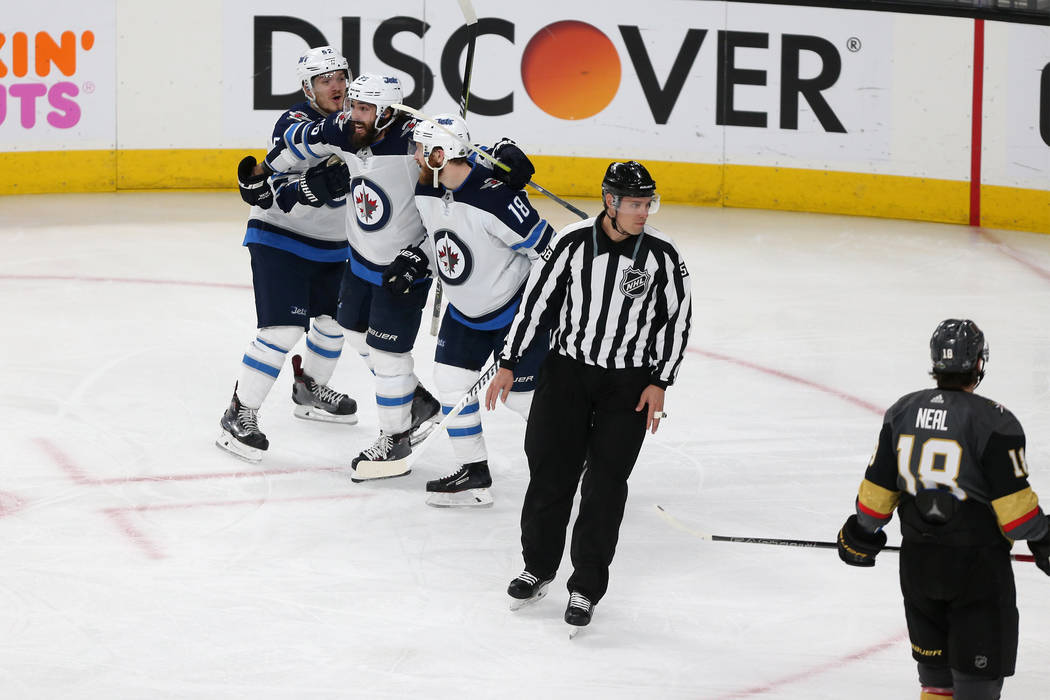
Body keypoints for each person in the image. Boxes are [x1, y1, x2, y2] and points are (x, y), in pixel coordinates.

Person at [263, 75, 533, 481]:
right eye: (353, 105)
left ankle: (395, 438)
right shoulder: (347, 130)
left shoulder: (414, 141)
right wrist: (266, 170)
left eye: (364, 109)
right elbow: (299, 142)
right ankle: (414, 400)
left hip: (405, 268)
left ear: (387, 112)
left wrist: (502, 155)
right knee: (352, 331)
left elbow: (462, 156)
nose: (353, 115)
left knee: (389, 356)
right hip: (359, 261)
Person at [485, 161, 692, 631]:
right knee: (549, 474)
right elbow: (537, 303)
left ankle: (586, 586)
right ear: (610, 201)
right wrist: (509, 361)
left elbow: (676, 321)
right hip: (566, 376)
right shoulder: (571, 242)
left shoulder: (662, 253)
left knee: (605, 485)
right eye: (635, 204)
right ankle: (538, 567)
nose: (644, 212)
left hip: (628, 385)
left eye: (648, 204)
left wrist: (660, 381)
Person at [836, 319, 1050, 700]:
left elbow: (874, 501)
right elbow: (1017, 515)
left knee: (935, 683)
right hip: (977, 571)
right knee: (977, 685)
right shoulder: (995, 420)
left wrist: (860, 535)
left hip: (918, 567)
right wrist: (1044, 539)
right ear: (978, 364)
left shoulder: (901, 412)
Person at [381, 113, 548, 507]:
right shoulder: (426, 189)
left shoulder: (497, 199)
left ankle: (582, 457)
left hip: (513, 311)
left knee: (521, 398)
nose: (415, 156)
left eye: (421, 150)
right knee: (451, 381)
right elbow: (440, 238)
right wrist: (416, 258)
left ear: (440, 154)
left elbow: (548, 252)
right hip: (464, 311)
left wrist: (535, 311)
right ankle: (474, 472)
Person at [217, 46, 358, 463]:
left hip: (333, 244)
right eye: (324, 80)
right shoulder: (294, 121)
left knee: (334, 323)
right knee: (282, 331)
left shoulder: (363, 123)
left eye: (340, 77)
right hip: (280, 237)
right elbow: (280, 172)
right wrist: (314, 181)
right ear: (308, 88)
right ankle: (239, 412)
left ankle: (309, 389)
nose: (336, 86)